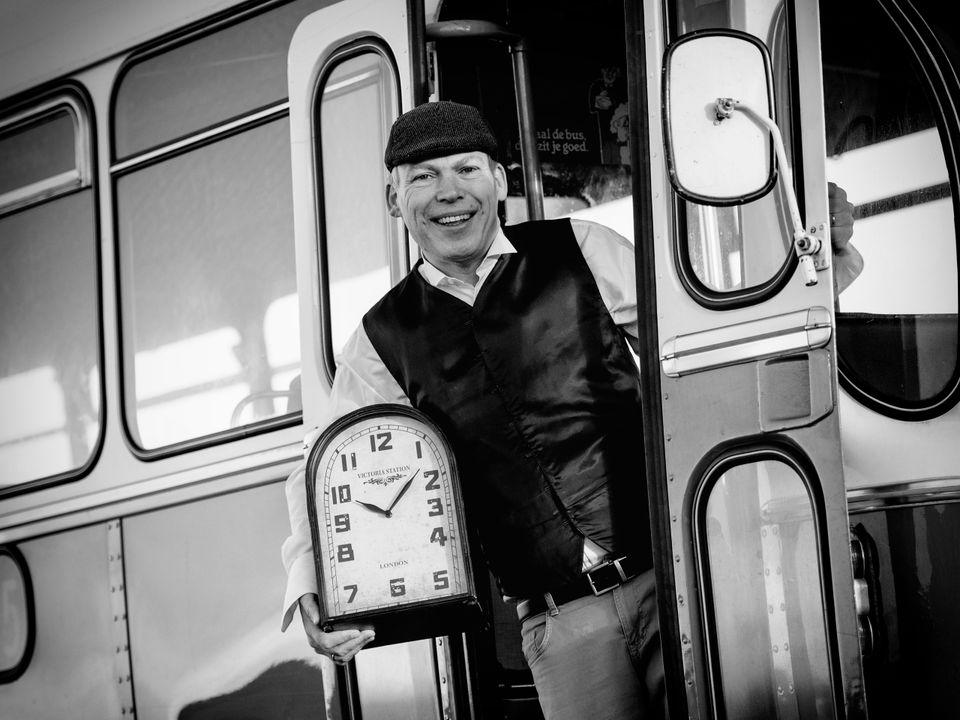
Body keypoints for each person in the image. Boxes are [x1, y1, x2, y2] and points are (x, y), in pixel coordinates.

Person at [280, 101, 861, 720]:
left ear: (498, 181)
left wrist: (819, 258)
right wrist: (314, 582)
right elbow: (330, 464)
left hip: (677, 575)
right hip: (558, 625)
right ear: (394, 200)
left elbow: (711, 339)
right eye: (423, 176)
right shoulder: (380, 338)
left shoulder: (583, 247)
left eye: (467, 169)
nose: (450, 191)